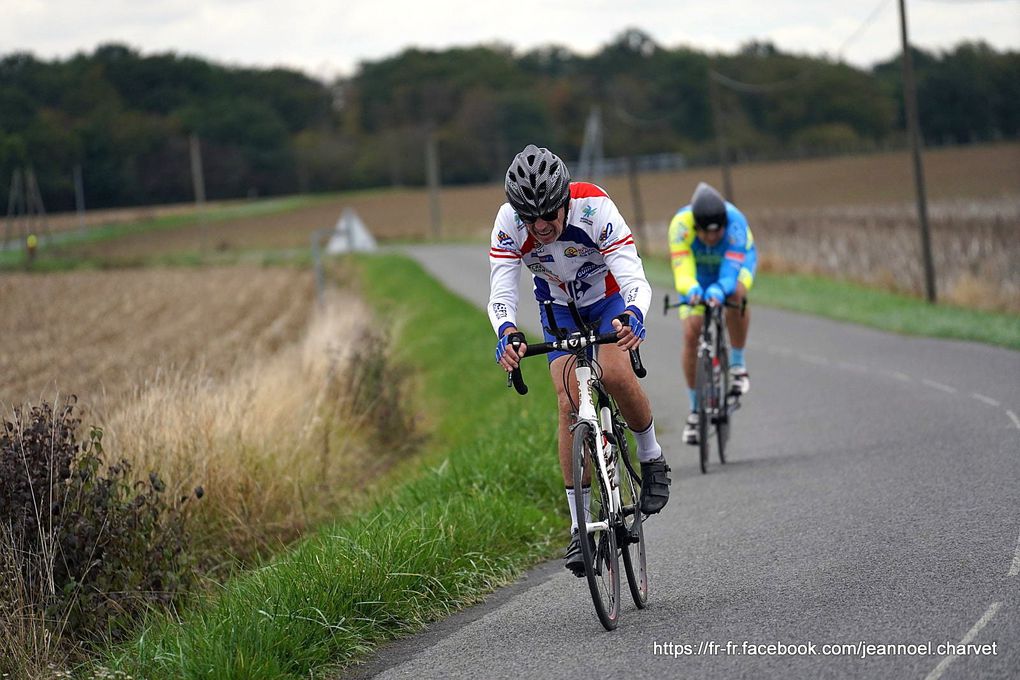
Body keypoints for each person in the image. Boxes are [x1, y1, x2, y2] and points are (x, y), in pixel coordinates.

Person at [488, 144, 671, 577]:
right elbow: (502, 291)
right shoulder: (509, 223)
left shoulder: (594, 206)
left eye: (549, 213)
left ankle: (651, 456)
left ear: (565, 200)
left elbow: (633, 276)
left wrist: (633, 314)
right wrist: (507, 332)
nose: (541, 226)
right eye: (531, 218)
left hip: (606, 300)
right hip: (557, 309)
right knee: (569, 403)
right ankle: (580, 527)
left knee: (615, 373)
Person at [668, 182, 757, 445]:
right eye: (706, 233)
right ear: (696, 227)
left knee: (736, 295)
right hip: (699, 272)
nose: (712, 237)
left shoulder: (736, 223)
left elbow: (730, 271)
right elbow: (682, 271)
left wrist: (720, 289)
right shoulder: (680, 225)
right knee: (691, 332)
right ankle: (696, 411)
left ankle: (738, 365)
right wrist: (693, 289)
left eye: (717, 232)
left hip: (735, 266)